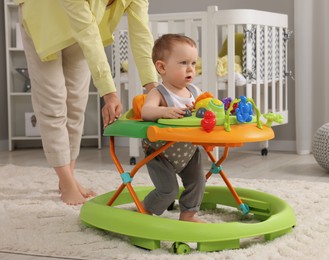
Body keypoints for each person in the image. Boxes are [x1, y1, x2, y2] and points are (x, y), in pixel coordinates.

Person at [16, 0, 158, 205]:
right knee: (53, 103)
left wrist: (154, 89)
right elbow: (88, 34)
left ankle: (68, 177)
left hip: (82, 29)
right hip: (44, 18)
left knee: (76, 103)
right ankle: (66, 183)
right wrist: (109, 93)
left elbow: (142, 35)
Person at [141, 34, 206, 223]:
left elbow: (207, 107)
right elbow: (146, 111)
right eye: (184, 62)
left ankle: (188, 215)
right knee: (168, 190)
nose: (190, 69)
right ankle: (145, 210)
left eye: (193, 63)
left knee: (197, 183)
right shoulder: (158, 92)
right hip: (160, 152)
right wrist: (164, 111)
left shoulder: (195, 92)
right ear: (162, 67)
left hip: (188, 149)